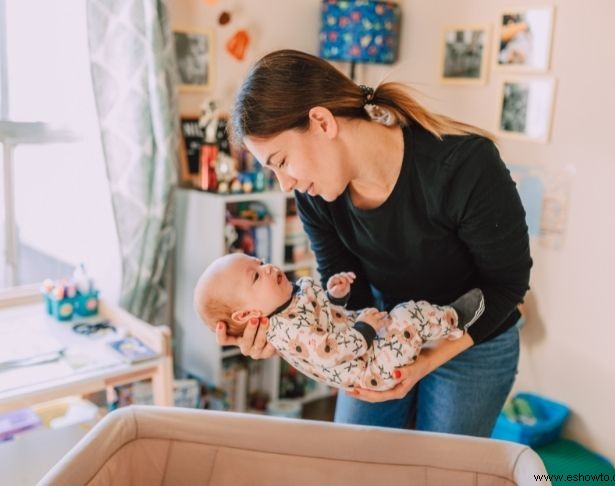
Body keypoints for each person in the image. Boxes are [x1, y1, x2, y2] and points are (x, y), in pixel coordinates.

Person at [214, 49, 532, 437]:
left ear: (321, 122)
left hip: (473, 338)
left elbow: (508, 285)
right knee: (355, 460)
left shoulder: (464, 166)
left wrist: (423, 362)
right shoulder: (314, 195)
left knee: (442, 471)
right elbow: (343, 282)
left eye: (281, 162)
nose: (286, 184)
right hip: (381, 325)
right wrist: (283, 325)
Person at [194, 253, 485, 391]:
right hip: (370, 366)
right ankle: (454, 318)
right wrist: (365, 329)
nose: (267, 268)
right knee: (409, 315)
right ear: (246, 316)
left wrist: (336, 297)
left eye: (258, 261)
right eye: (256, 276)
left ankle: (440, 324)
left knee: (405, 318)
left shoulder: (289, 300)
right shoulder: (286, 329)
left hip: (366, 344)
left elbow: (325, 321)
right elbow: (328, 350)